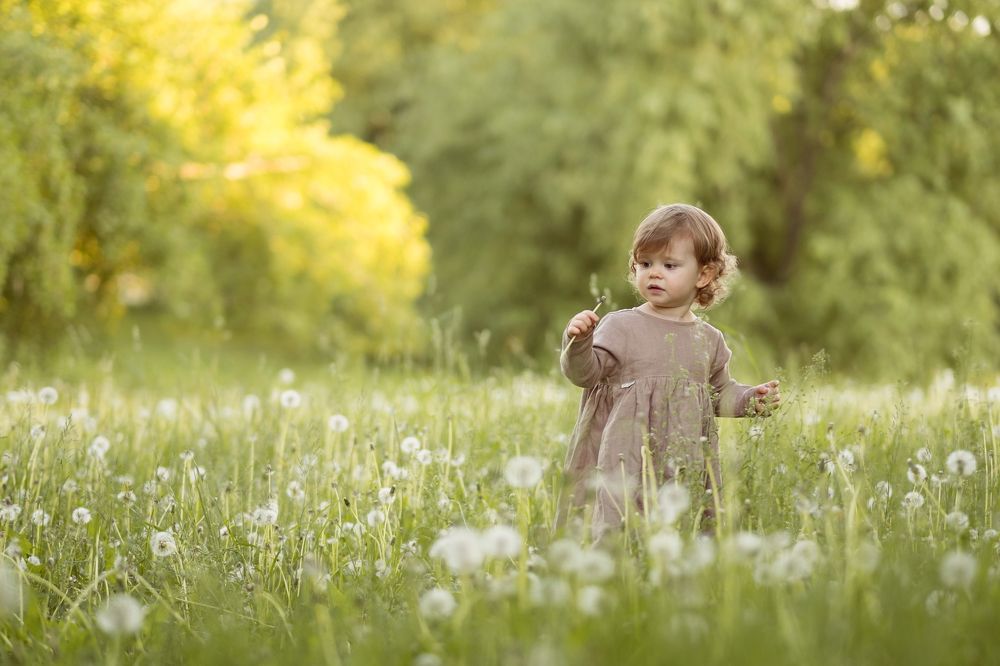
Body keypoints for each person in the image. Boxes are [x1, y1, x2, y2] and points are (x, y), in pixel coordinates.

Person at [557, 203, 780, 541]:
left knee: (680, 528)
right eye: (644, 264)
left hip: (682, 460)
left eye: (669, 265)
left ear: (704, 274)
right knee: (617, 527)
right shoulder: (620, 326)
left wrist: (750, 400)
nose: (654, 273)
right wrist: (578, 342)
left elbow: (718, 394)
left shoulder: (709, 340)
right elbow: (584, 374)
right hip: (623, 458)